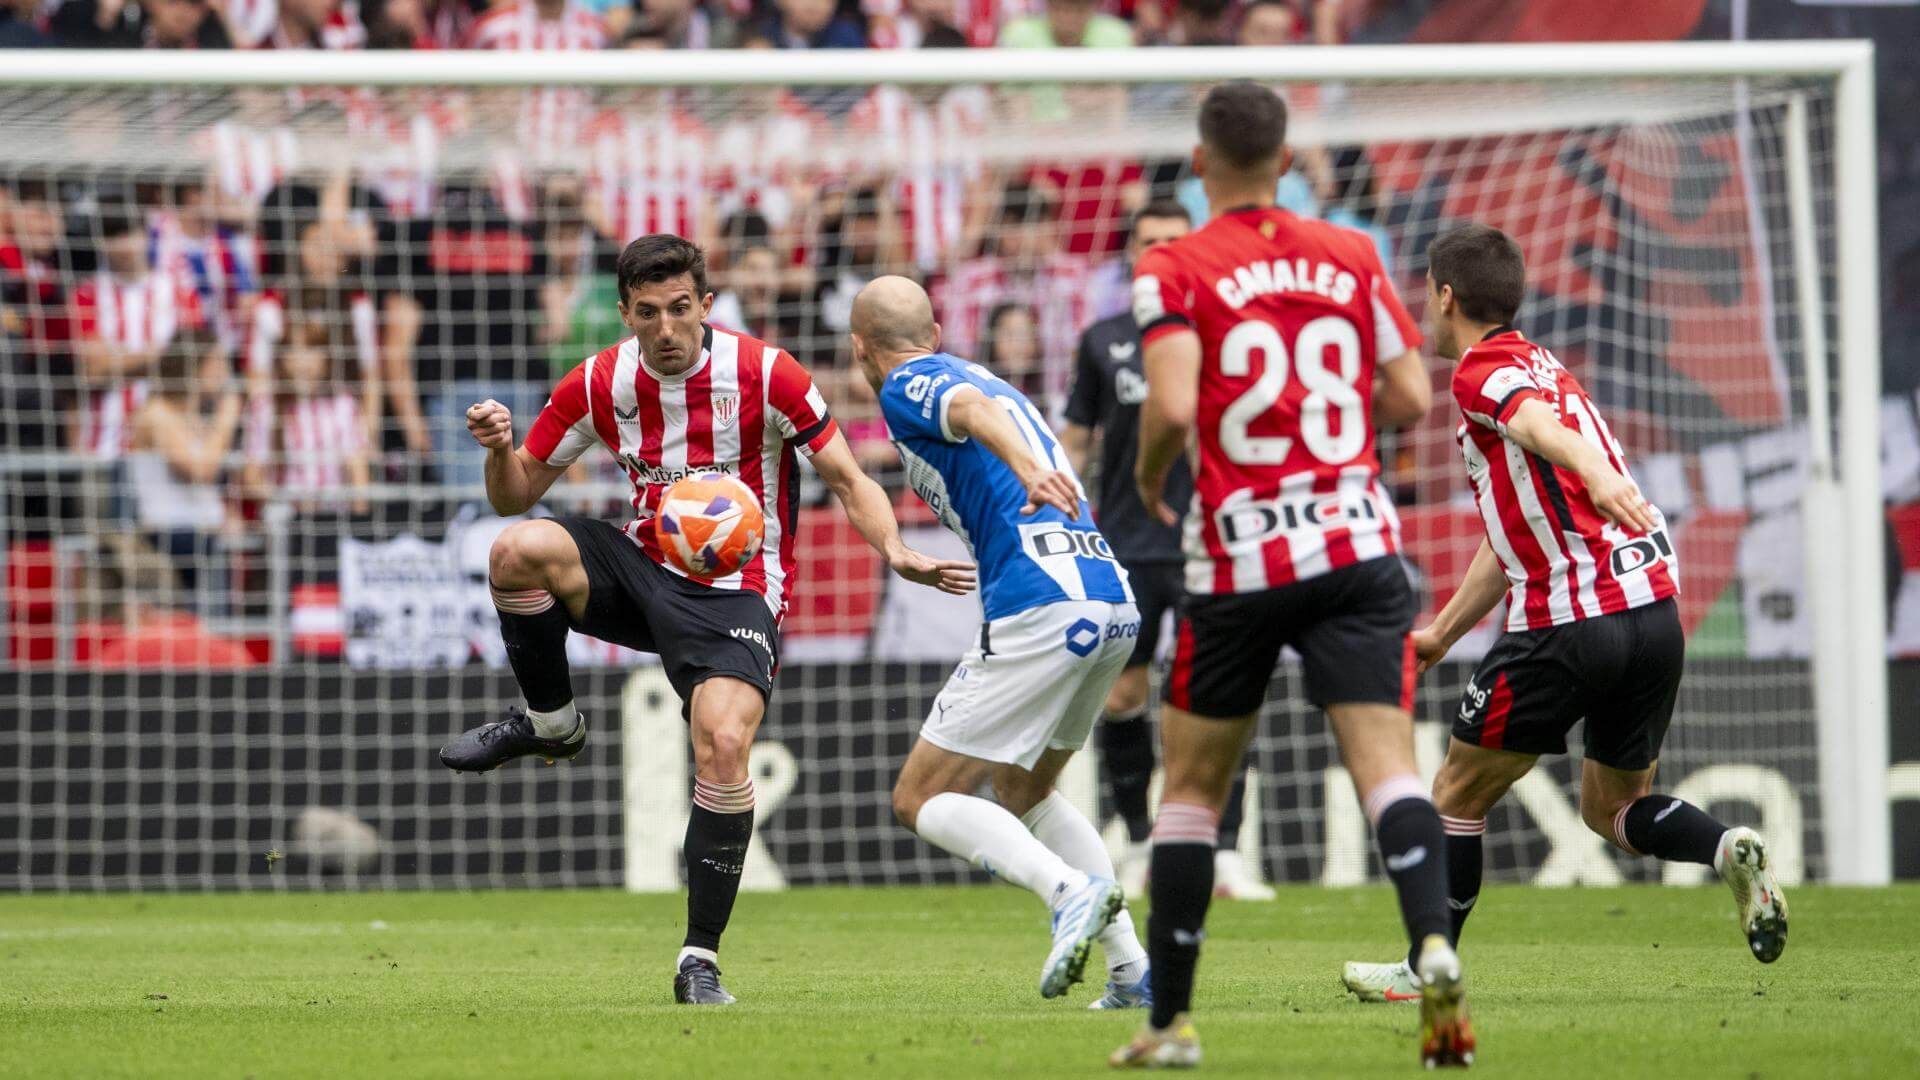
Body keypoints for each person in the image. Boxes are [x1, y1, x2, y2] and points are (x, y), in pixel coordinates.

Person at [439, 234, 973, 1006]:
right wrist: (499, 449)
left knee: (724, 744)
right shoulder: (599, 383)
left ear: (707, 307)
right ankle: (550, 723)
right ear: (624, 314)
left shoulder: (767, 374)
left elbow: (848, 477)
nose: (666, 329)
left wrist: (894, 547)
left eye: (681, 309)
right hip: (644, 567)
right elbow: (514, 493)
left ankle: (699, 959)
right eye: (648, 313)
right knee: (516, 550)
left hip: (737, 589)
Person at [1338, 224, 1788, 1003]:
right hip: (1652, 612)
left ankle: (1425, 969)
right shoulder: (1549, 367)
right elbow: (1510, 532)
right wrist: (1442, 634)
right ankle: (1725, 849)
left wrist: (1593, 473)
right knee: (1612, 808)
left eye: (1427, 296)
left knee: (1455, 794)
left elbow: (1532, 429)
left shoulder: (1483, 371)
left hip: (1569, 621)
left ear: (1445, 296)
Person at [1111, 82, 1455, 1069]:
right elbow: (1408, 392)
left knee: (1191, 793)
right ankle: (1430, 943)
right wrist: (1323, 418)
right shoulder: (1353, 253)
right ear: (1289, 155)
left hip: (1241, 556)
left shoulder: (1173, 263)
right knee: (1387, 770)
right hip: (1356, 544)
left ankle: (1170, 1023)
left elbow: (1172, 406)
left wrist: (1145, 476)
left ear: (1200, 159)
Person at [851, 275, 1151, 1009]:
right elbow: (980, 403)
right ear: (939, 331)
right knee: (1025, 788)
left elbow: (969, 410)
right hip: (1109, 600)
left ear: (861, 349)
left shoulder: (908, 380)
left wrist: (1025, 469)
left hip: (1040, 606)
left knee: (919, 796)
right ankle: (1134, 973)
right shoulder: (977, 371)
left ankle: (1065, 891)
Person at [1060, 200, 1272, 904]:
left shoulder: (1231, 328)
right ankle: (1145, 841)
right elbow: (1077, 441)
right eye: (1150, 241)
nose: (1162, 250)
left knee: (1224, 692)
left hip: (1215, 534)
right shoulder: (1104, 338)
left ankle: (1230, 849)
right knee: (1122, 694)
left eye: (1175, 240)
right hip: (1126, 540)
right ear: (1131, 253)